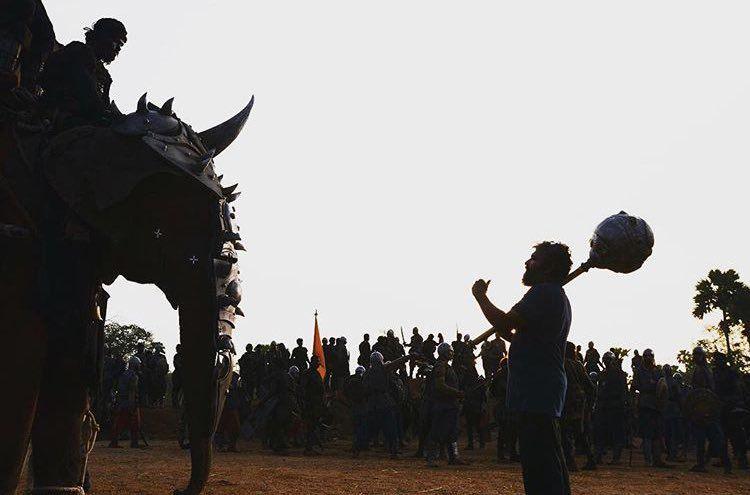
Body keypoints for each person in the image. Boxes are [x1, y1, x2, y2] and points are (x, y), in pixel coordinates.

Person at [472, 241, 573, 495]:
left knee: (540, 466)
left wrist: (480, 297)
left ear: (548, 267)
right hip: (541, 389)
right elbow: (515, 333)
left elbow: (505, 321)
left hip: (537, 390)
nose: (527, 263)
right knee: (548, 459)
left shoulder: (544, 293)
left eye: (534, 259)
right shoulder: (554, 295)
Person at [39, 17, 127, 126]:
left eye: (120, 45)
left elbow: (104, 106)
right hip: (58, 117)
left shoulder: (105, 76)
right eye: (116, 41)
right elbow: (86, 91)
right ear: (103, 37)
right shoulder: (79, 51)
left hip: (84, 122)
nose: (118, 48)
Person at [689, 346, 731, 473]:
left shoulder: (704, 370)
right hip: (701, 407)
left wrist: (706, 407)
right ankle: (702, 463)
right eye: (695, 354)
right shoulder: (700, 369)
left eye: (698, 354)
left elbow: (707, 390)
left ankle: (726, 464)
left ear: (702, 356)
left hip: (707, 407)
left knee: (715, 437)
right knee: (703, 438)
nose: (696, 357)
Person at [425, 343, 467, 467]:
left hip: (451, 404)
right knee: (437, 431)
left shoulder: (447, 366)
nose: (452, 353)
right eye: (450, 351)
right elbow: (440, 386)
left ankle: (454, 457)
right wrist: (457, 393)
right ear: (444, 352)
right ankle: (431, 458)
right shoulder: (441, 366)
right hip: (443, 405)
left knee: (452, 432)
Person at [561, 342, 596, 471]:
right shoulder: (579, 365)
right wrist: (589, 405)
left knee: (565, 431)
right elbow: (591, 387)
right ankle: (590, 459)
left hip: (567, 401)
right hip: (579, 402)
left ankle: (570, 462)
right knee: (579, 432)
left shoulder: (562, 364)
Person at [632, 348, 669, 468]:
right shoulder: (639, 371)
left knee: (657, 434)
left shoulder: (658, 371)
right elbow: (635, 386)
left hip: (657, 405)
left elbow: (663, 388)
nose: (648, 358)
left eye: (649, 356)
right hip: (645, 405)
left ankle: (657, 459)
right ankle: (649, 460)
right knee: (647, 434)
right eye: (646, 356)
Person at [713, 352, 748, 470]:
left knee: (736, 434)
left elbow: (738, 390)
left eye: (718, 359)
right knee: (721, 435)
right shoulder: (714, 373)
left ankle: (742, 459)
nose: (716, 361)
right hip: (719, 407)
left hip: (732, 407)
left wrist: (730, 401)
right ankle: (724, 459)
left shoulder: (731, 373)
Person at [594, 351, 628, 465]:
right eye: (605, 360)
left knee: (616, 433)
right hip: (603, 407)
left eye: (608, 359)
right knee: (600, 432)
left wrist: (625, 406)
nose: (606, 362)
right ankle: (598, 456)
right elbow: (599, 390)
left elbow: (624, 392)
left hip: (615, 407)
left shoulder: (619, 374)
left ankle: (616, 458)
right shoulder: (602, 374)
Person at [108, 356, 142, 448]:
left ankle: (114, 442)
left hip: (121, 401)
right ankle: (133, 443)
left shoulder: (124, 374)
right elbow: (131, 391)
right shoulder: (133, 376)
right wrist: (132, 404)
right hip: (128, 402)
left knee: (120, 422)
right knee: (134, 423)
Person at [300, 355, 325, 455]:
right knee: (311, 426)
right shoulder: (307, 374)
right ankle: (309, 448)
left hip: (317, 404)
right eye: (317, 362)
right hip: (310, 404)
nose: (318, 364)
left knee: (314, 426)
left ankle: (311, 446)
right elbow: (303, 389)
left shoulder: (316, 374)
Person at [344, 366, 368, 457]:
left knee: (355, 427)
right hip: (361, 406)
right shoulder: (363, 380)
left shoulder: (350, 380)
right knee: (361, 427)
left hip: (352, 406)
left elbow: (345, 391)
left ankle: (355, 446)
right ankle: (358, 447)